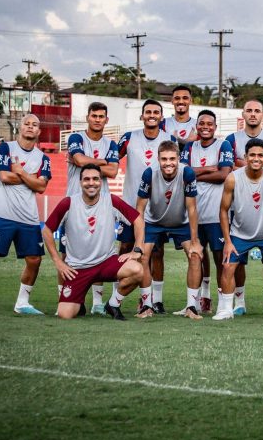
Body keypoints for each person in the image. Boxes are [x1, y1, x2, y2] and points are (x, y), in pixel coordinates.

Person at [0, 114, 52, 315]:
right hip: (2, 214)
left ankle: (22, 303)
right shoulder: (6, 148)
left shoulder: (43, 158)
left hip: (28, 218)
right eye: (26, 124)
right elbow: (4, 176)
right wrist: (31, 178)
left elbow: (41, 187)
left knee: (34, 260)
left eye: (35, 125)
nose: (30, 127)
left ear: (39, 131)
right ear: (19, 128)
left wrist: (21, 172)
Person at [42, 164, 144, 320]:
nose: (91, 183)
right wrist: (58, 261)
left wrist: (137, 249)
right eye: (87, 179)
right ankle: (79, 301)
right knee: (65, 315)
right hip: (78, 268)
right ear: (80, 182)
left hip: (106, 263)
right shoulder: (68, 203)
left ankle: (113, 304)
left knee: (138, 270)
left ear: (101, 182)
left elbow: (138, 220)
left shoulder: (111, 201)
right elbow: (47, 230)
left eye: (95, 179)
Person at [217, 139, 263, 321]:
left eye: (260, 155)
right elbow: (223, 210)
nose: (256, 159)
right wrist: (228, 241)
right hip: (239, 234)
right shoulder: (233, 178)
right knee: (228, 266)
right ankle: (226, 310)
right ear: (245, 157)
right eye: (252, 155)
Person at [117, 99, 175, 314]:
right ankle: (118, 297)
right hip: (129, 207)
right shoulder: (129, 137)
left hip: (158, 210)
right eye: (148, 112)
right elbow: (112, 160)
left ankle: (155, 300)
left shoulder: (170, 139)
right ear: (142, 116)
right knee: (124, 250)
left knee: (156, 253)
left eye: (156, 112)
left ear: (162, 117)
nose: (152, 115)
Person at [135, 141, 204, 320]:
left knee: (195, 255)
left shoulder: (187, 172)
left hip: (180, 222)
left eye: (172, 159)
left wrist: (195, 242)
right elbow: (140, 209)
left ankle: (192, 306)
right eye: (164, 159)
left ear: (178, 158)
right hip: (153, 221)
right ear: (157, 159)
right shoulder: (149, 173)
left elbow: (192, 208)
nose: (168, 163)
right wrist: (138, 242)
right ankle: (146, 305)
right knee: (143, 256)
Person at [64, 101, 119, 314]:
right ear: (87, 117)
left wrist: (90, 162)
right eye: (94, 116)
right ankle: (67, 295)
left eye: (101, 116)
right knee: (67, 255)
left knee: (100, 252)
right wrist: (103, 162)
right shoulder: (76, 138)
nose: (97, 119)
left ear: (106, 120)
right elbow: (79, 160)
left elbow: (113, 172)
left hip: (101, 205)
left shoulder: (111, 144)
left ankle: (97, 303)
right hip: (74, 203)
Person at [180, 109, 234, 314]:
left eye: (209, 124)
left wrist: (196, 174)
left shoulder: (223, 145)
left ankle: (223, 301)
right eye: (201, 123)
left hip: (216, 213)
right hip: (193, 213)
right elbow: (182, 173)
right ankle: (200, 300)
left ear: (215, 127)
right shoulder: (189, 147)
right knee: (197, 257)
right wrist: (207, 169)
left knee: (220, 258)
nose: (205, 127)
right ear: (197, 126)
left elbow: (223, 175)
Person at [225, 99, 263, 168]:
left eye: (257, 111)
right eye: (249, 111)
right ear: (243, 114)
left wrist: (242, 165)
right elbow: (228, 169)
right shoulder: (231, 139)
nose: (253, 114)